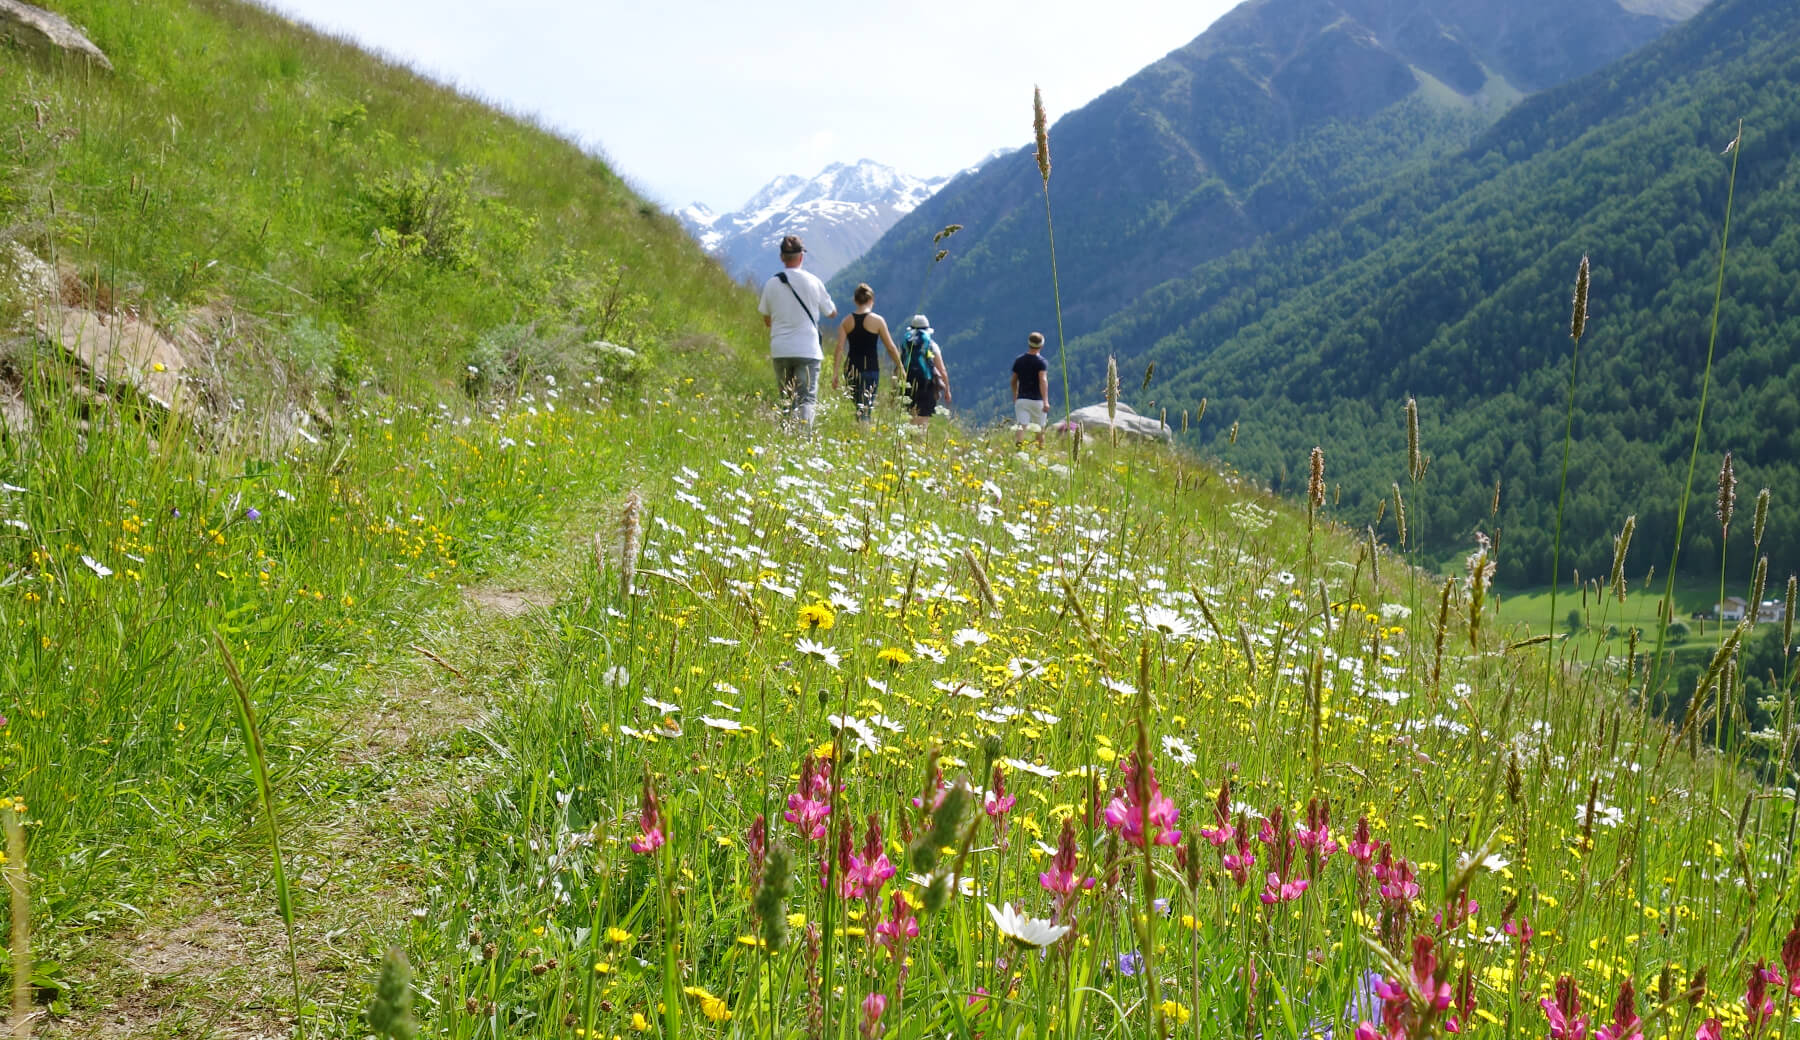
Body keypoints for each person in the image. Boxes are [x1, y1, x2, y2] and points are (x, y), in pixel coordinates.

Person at [757, 235, 835, 427]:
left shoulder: (771, 284)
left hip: (781, 349)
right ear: (801, 256)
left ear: (782, 257)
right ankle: (803, 440)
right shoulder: (813, 281)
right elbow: (831, 312)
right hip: (808, 349)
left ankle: (786, 435)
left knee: (787, 398)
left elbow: (767, 319)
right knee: (806, 399)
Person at [832, 283, 902, 422]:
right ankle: (862, 436)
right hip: (870, 369)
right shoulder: (877, 321)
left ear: (855, 300)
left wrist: (835, 373)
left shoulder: (846, 321)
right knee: (865, 409)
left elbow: (839, 348)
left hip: (851, 369)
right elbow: (890, 347)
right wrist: (901, 367)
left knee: (858, 406)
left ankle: (859, 434)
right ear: (871, 300)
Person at [899, 315, 951, 426]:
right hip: (926, 385)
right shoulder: (931, 345)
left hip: (907, 383)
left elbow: (900, 365)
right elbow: (942, 370)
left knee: (910, 419)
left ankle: (910, 442)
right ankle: (919, 442)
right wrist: (947, 389)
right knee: (922, 421)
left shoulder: (906, 344)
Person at [1010, 331, 1051, 446]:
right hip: (1037, 400)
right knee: (1040, 428)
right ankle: (1040, 450)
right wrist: (1046, 401)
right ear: (1041, 345)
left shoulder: (1019, 360)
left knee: (1021, 425)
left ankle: (1018, 448)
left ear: (1029, 343)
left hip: (1022, 399)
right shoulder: (1041, 362)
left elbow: (1013, 380)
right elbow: (1042, 380)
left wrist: (1015, 394)